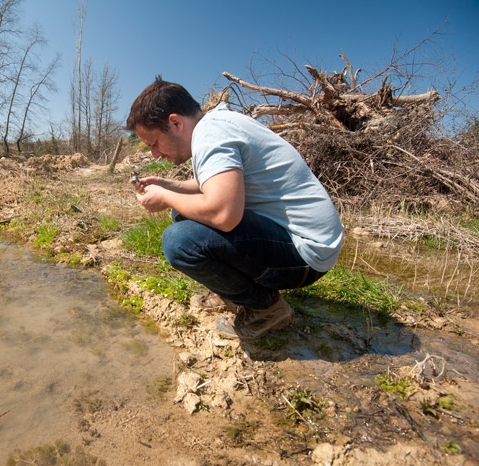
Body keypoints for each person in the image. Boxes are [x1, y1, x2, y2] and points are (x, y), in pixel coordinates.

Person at [126, 77, 343, 340]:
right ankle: (230, 292)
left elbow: (224, 215)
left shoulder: (211, 134)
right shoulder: (217, 124)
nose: (155, 155)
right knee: (183, 213)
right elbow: (216, 183)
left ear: (175, 122)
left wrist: (166, 197)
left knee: (179, 240)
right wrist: (168, 185)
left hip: (307, 253)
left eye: (154, 143)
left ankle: (266, 308)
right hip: (308, 241)